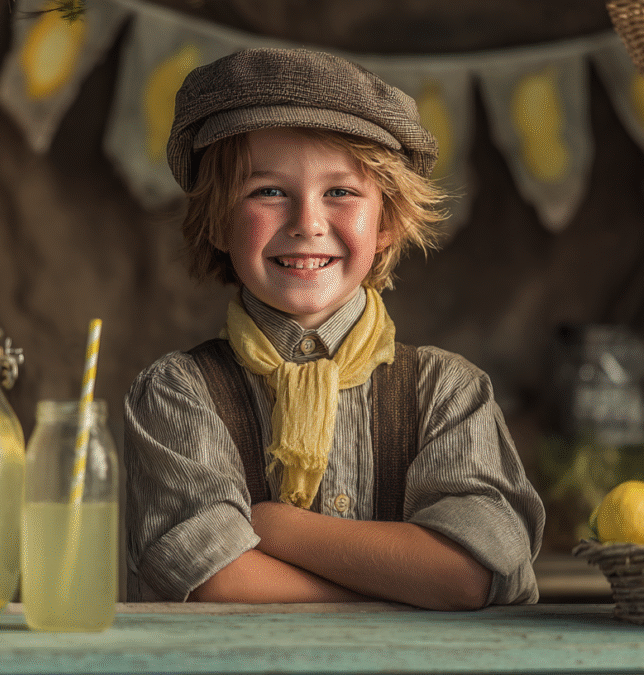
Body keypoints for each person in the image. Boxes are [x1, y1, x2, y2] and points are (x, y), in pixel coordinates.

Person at [124, 47, 545, 610]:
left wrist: (274, 526)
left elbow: (465, 574)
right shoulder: (178, 391)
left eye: (341, 192)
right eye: (267, 191)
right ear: (220, 222)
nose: (307, 223)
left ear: (388, 221)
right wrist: (401, 586)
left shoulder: (448, 392)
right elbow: (218, 582)